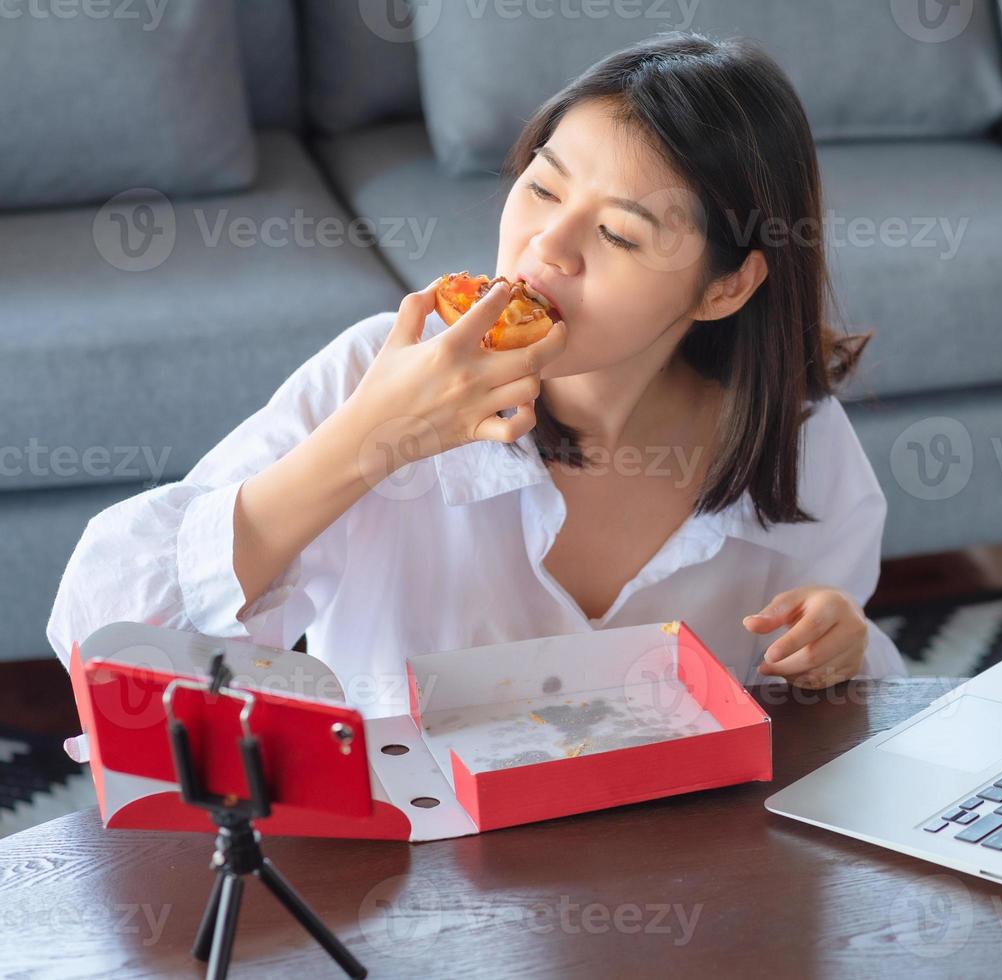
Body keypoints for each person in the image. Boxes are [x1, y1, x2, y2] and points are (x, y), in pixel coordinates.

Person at [46, 31, 907, 720]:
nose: (545, 249)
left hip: (673, 875)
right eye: (541, 189)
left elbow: (829, 676)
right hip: (419, 878)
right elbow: (105, 639)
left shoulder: (791, 433)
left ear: (725, 286)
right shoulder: (375, 369)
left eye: (617, 235)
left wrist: (841, 644)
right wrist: (367, 442)